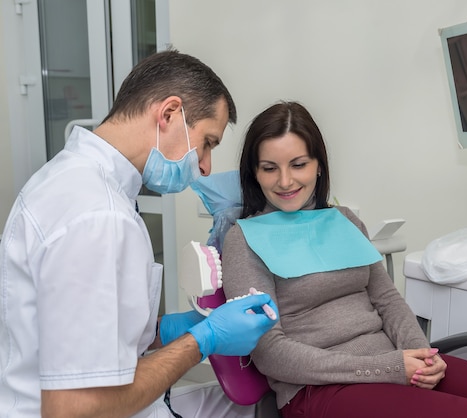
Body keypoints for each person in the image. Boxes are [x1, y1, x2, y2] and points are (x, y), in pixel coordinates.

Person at [220, 101, 467, 418]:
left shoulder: (344, 221)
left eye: (298, 164)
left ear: (318, 165)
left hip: (397, 365)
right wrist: (389, 367)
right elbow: (272, 354)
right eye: (269, 168)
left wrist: (421, 356)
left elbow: (387, 300)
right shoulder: (244, 241)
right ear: (254, 172)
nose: (285, 181)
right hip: (319, 391)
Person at [0, 49, 279, 418]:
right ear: (168, 114)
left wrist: (162, 331)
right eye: (208, 142)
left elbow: (84, 331)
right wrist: (203, 340)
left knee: (253, 406)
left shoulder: (78, 182)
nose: (207, 167)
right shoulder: (96, 215)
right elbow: (74, 409)